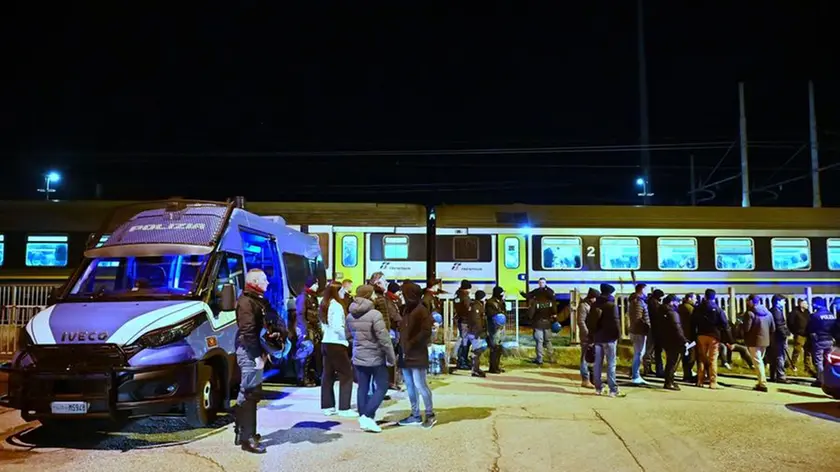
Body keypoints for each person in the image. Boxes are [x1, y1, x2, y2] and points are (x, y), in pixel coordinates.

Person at [233, 269, 279, 454]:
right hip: (249, 351)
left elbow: (272, 319)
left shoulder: (258, 299)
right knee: (251, 393)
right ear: (255, 282)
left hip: (254, 350)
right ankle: (248, 438)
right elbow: (248, 332)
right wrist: (256, 356)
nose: (268, 283)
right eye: (264, 280)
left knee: (247, 391)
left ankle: (241, 430)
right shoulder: (246, 302)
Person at [346, 285, 396, 433]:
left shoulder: (350, 315)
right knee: (382, 386)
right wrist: (391, 357)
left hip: (358, 356)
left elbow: (348, 336)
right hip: (375, 356)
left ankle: (363, 417)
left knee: (363, 387)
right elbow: (384, 339)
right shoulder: (375, 315)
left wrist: (359, 344)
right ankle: (368, 416)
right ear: (369, 295)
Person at [398, 281, 436, 428]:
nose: (401, 295)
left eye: (403, 293)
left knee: (420, 384)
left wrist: (412, 342)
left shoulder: (421, 309)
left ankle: (429, 413)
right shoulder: (406, 309)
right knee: (410, 385)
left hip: (417, 354)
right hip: (405, 354)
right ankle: (415, 414)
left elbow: (425, 331)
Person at [319, 281, 357, 418]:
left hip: (326, 342)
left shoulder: (324, 304)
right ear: (336, 291)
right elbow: (338, 327)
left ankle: (327, 406)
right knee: (346, 375)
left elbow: (324, 326)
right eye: (341, 290)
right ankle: (344, 407)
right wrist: (346, 338)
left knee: (327, 375)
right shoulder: (337, 306)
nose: (344, 293)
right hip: (337, 343)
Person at [691, 289, 733, 390]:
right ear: (714, 297)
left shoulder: (698, 308)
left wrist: (693, 336)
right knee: (712, 359)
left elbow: (692, 322)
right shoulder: (717, 309)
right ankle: (713, 382)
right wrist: (730, 340)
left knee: (701, 358)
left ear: (705, 296)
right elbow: (725, 324)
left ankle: (700, 380)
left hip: (701, 335)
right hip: (714, 336)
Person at [589, 283, 623, 397]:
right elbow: (616, 322)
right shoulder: (611, 305)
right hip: (609, 338)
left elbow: (590, 321)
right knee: (611, 364)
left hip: (598, 338)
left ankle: (598, 388)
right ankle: (613, 390)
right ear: (609, 293)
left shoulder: (594, 305)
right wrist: (619, 336)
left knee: (597, 363)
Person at [743, 294, 775, 392]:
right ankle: (761, 381)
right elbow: (773, 328)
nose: (747, 302)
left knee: (757, 362)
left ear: (752, 301)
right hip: (765, 340)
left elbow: (746, 329)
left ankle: (762, 383)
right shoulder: (768, 313)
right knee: (760, 361)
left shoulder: (750, 314)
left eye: (748, 300)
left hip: (753, 341)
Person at [294, 276, 322, 387]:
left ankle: (309, 376)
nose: (317, 286)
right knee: (305, 354)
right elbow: (301, 314)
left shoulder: (312, 297)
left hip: (313, 328)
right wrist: (304, 330)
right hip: (306, 329)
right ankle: (302, 378)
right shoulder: (303, 297)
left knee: (311, 355)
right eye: (315, 284)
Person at [521, 278, 555, 366]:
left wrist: (529, 319)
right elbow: (554, 312)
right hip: (547, 323)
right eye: (540, 282)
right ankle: (551, 358)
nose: (541, 284)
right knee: (548, 341)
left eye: (542, 282)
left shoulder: (536, 303)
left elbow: (530, 314)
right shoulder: (550, 302)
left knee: (539, 342)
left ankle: (540, 359)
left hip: (538, 323)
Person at [806, 296, 837, 388]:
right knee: (828, 361)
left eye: (813, 303)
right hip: (830, 340)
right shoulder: (831, 315)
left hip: (819, 340)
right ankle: (830, 378)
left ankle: (821, 380)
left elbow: (810, 329)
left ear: (817, 304)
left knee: (819, 361)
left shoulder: (815, 316)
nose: (812, 305)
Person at [660, 294, 688, 391]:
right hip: (674, 340)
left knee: (670, 361)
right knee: (672, 362)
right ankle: (669, 382)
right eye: (676, 301)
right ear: (672, 302)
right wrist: (684, 340)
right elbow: (677, 328)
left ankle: (669, 380)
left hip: (665, 339)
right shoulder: (672, 313)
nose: (678, 303)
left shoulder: (661, 311)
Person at [628, 283, 650, 385]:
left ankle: (635, 374)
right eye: (646, 289)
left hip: (637, 331)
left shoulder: (635, 301)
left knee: (639, 353)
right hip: (638, 331)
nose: (647, 291)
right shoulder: (638, 302)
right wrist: (647, 326)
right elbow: (638, 318)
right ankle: (635, 375)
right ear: (642, 290)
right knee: (639, 353)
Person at [577, 288, 599, 388]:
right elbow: (581, 322)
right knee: (585, 358)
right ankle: (585, 380)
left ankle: (592, 379)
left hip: (592, 335)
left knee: (591, 357)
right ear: (592, 298)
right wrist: (587, 334)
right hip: (586, 336)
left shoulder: (591, 305)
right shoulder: (583, 306)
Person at [384, 281, 404, 390]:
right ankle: (391, 382)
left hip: (395, 330)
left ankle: (393, 380)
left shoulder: (394, 300)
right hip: (392, 331)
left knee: (395, 356)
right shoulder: (388, 301)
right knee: (392, 357)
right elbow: (394, 315)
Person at [769, 294, 791, 384]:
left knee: (774, 356)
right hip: (778, 337)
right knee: (780, 356)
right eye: (783, 300)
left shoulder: (774, 310)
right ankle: (780, 376)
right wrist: (785, 334)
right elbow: (780, 325)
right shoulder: (776, 311)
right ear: (778, 301)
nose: (785, 302)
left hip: (775, 337)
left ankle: (773, 375)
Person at [787, 299, 812, 375]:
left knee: (808, 352)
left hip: (807, 335)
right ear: (801, 304)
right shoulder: (794, 312)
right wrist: (794, 332)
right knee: (797, 351)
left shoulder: (807, 312)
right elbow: (790, 323)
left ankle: (807, 367)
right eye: (805, 303)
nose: (807, 305)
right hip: (799, 335)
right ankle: (792, 365)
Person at [485, 286, 507, 374]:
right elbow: (491, 314)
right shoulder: (490, 302)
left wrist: (503, 302)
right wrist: (499, 314)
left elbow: (504, 311)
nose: (502, 295)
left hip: (501, 327)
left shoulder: (500, 302)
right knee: (494, 347)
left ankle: (497, 366)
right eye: (501, 293)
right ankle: (493, 367)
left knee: (499, 348)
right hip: (494, 328)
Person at [467, 290, 488, 377]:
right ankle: (475, 370)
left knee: (479, 349)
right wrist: (479, 331)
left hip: (474, 331)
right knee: (477, 351)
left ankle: (476, 368)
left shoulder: (476, 305)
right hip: (475, 332)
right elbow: (476, 320)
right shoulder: (476, 306)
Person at [646, 289, 666, 378]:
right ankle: (650, 369)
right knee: (651, 350)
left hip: (654, 330)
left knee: (653, 351)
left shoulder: (651, 303)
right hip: (654, 330)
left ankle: (652, 369)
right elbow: (657, 317)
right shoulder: (654, 304)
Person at [453, 280, 473, 370]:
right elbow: (468, 309)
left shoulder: (457, 295)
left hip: (461, 320)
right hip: (465, 321)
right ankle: (462, 361)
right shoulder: (465, 297)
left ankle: (462, 360)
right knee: (464, 342)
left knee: (464, 341)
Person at [678, 293, 697, 383]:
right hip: (689, 336)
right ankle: (688, 376)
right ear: (689, 298)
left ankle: (687, 375)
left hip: (682, 335)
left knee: (685, 355)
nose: (695, 300)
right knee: (690, 356)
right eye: (694, 298)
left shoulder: (680, 307)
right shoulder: (690, 309)